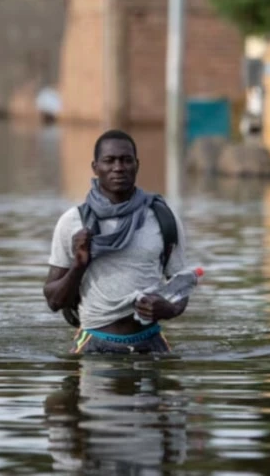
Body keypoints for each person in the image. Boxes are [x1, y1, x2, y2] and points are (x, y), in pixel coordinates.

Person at [44, 129, 189, 355]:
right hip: (94, 345)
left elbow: (181, 286)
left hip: (150, 344)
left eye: (126, 160)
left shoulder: (163, 218)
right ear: (95, 168)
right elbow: (53, 301)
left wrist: (167, 309)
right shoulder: (73, 222)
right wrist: (78, 265)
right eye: (109, 161)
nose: (118, 168)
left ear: (137, 165)